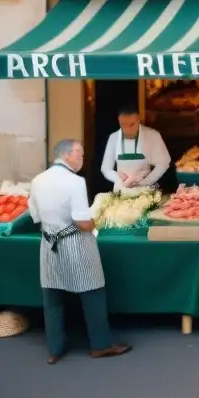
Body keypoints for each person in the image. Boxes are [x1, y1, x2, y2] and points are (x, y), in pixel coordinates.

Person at [29, 139, 132, 364]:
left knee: (52, 297)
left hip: (48, 243)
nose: (81, 158)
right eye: (79, 154)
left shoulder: (37, 180)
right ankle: (101, 344)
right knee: (92, 290)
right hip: (75, 242)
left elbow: (35, 216)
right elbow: (81, 221)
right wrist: (96, 222)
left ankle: (54, 349)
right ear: (66, 155)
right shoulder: (75, 182)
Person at [100, 103, 171, 192]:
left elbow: (164, 163)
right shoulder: (113, 137)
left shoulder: (153, 135)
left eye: (132, 124)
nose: (128, 129)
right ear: (119, 121)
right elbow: (106, 168)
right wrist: (117, 178)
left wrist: (146, 181)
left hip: (146, 190)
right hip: (121, 191)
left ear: (138, 120)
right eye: (124, 125)